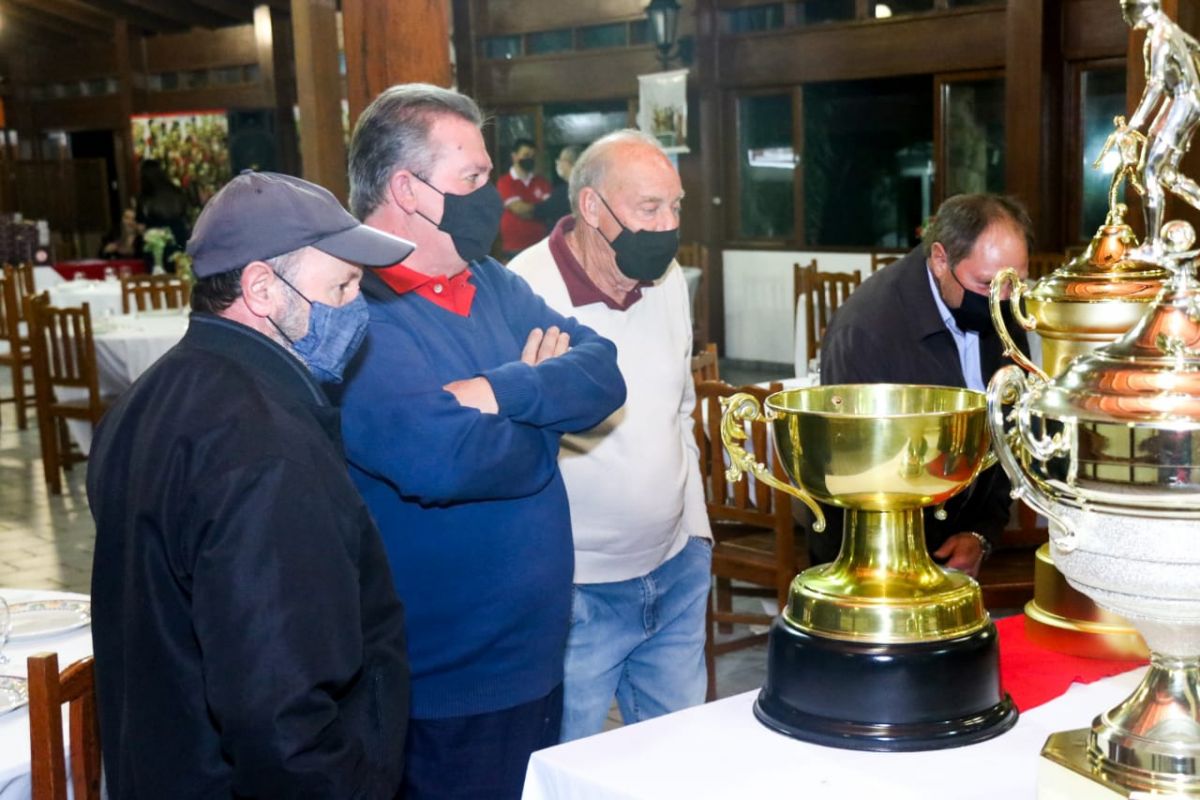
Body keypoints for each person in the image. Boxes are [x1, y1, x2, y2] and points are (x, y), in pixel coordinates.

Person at [87, 171, 414, 798]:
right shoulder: (265, 444)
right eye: (342, 285)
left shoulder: (145, 398)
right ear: (262, 288)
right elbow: (280, 709)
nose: (357, 306)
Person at [340, 84, 626, 799]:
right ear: (407, 188)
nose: (490, 197)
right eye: (472, 180)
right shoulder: (355, 311)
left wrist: (500, 393)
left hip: (532, 657)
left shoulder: (492, 284)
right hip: (441, 682)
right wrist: (544, 430)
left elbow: (602, 374)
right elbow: (447, 460)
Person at [508, 130, 711, 741]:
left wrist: (697, 532)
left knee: (676, 769)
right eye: (650, 208)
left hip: (676, 571)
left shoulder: (669, 278)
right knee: (571, 766)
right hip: (578, 594)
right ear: (592, 208)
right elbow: (511, 449)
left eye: (676, 206)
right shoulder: (523, 291)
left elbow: (681, 408)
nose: (669, 225)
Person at [814, 193, 1033, 577]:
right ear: (940, 259)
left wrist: (981, 533)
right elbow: (854, 473)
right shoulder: (869, 328)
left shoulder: (1001, 302)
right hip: (875, 561)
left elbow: (1005, 430)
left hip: (957, 542)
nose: (1002, 301)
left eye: (1014, 285)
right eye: (987, 285)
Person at [1116, 0, 1200, 257]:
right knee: (1165, 174)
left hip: (1182, 101)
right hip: (1184, 100)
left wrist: (1134, 125)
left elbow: (1154, 85)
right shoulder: (1169, 28)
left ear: (1137, 8)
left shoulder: (1159, 35)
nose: (1126, 15)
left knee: (1149, 171)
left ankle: (1153, 245)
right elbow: (1196, 47)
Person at [496, 136, 552, 258]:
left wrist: (531, 210)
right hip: (514, 249)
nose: (530, 159)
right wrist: (539, 210)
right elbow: (519, 209)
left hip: (540, 248)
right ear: (514, 156)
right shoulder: (505, 182)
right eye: (526, 155)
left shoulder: (542, 183)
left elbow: (550, 210)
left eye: (532, 156)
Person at [533, 144, 580, 228]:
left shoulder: (563, 192)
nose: (557, 162)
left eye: (561, 159)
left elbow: (540, 211)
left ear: (570, 163)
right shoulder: (590, 185)